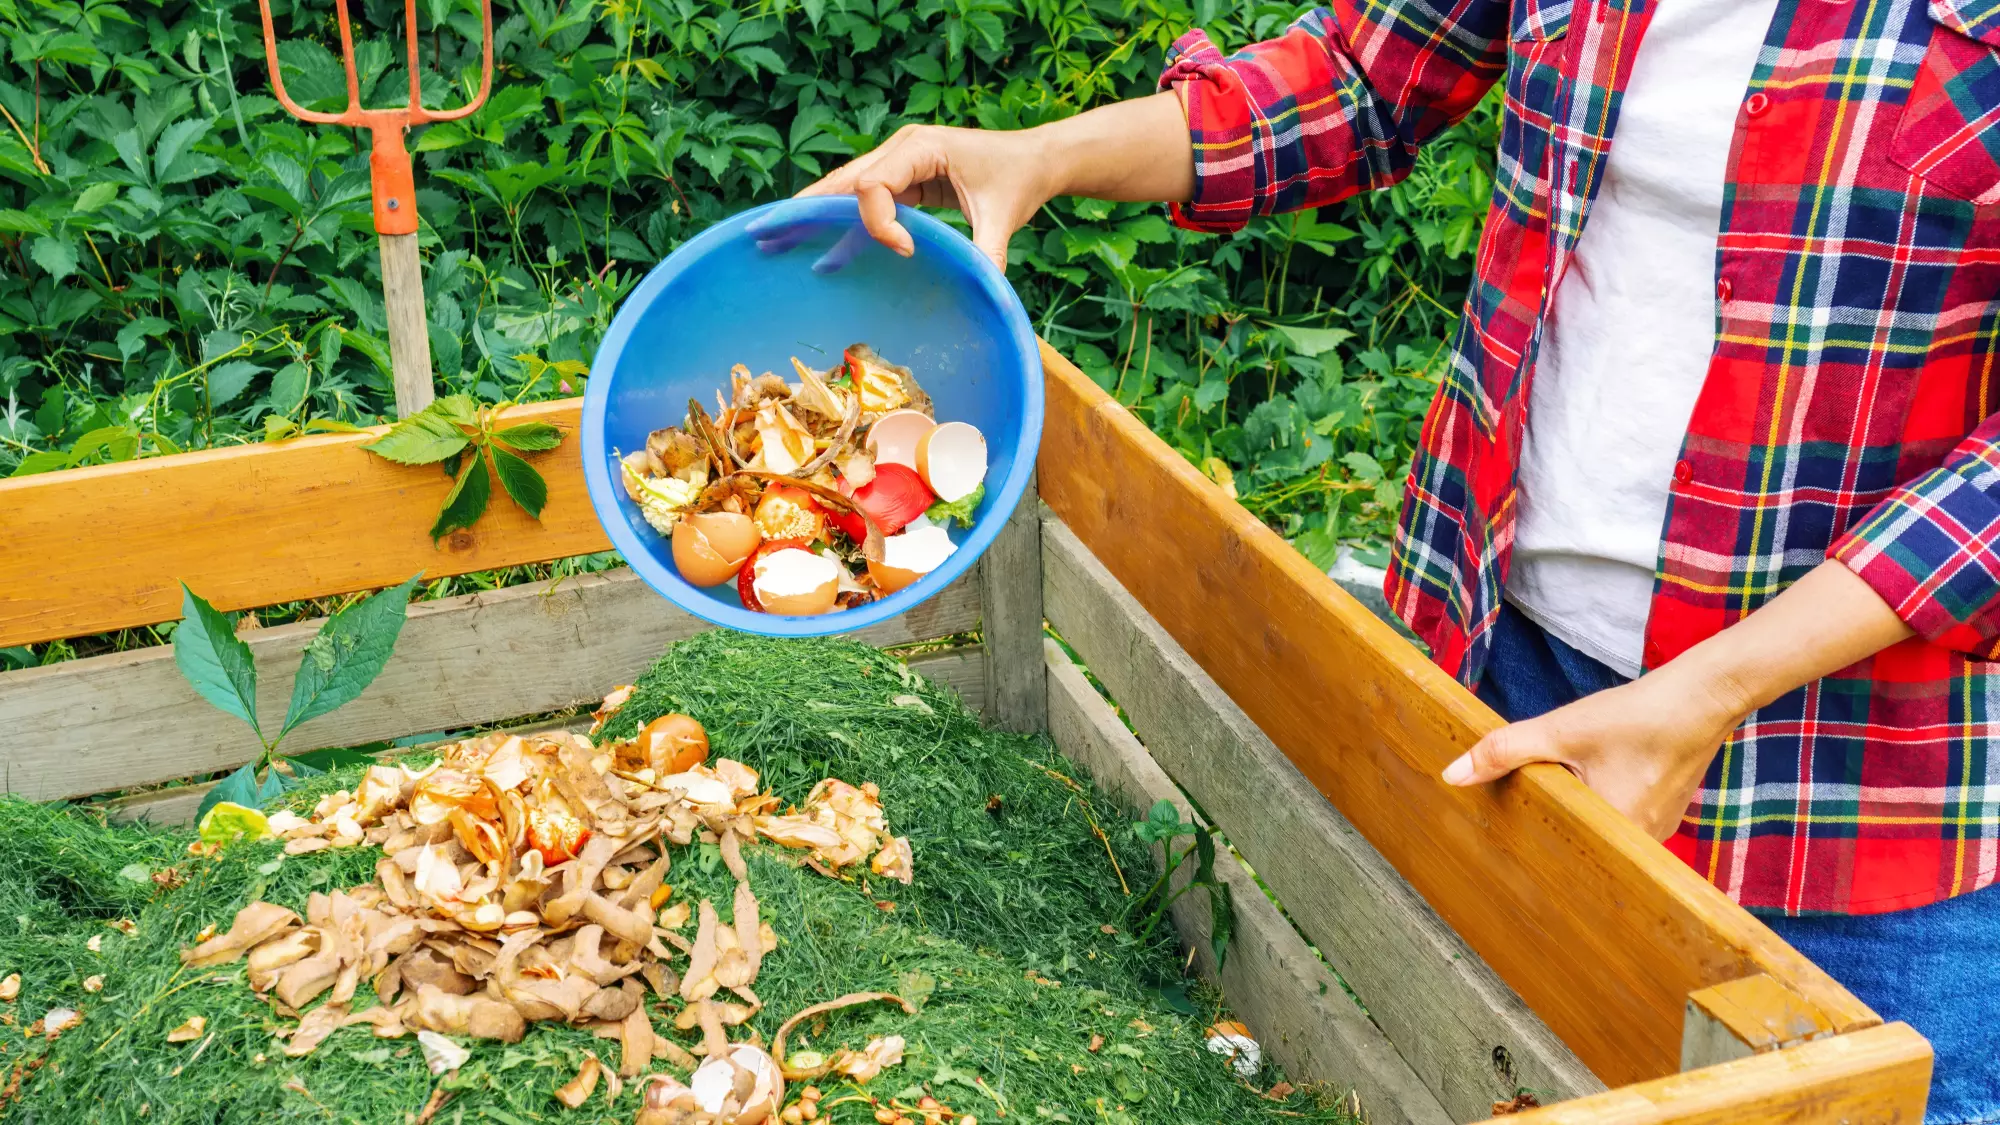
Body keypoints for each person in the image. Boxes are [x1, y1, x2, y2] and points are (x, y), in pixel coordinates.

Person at [795, 0, 2000, 1117]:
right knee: (1489, 1067)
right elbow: (1360, 79)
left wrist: (1711, 689)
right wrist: (1038, 155)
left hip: (1846, 782)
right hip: (1500, 658)